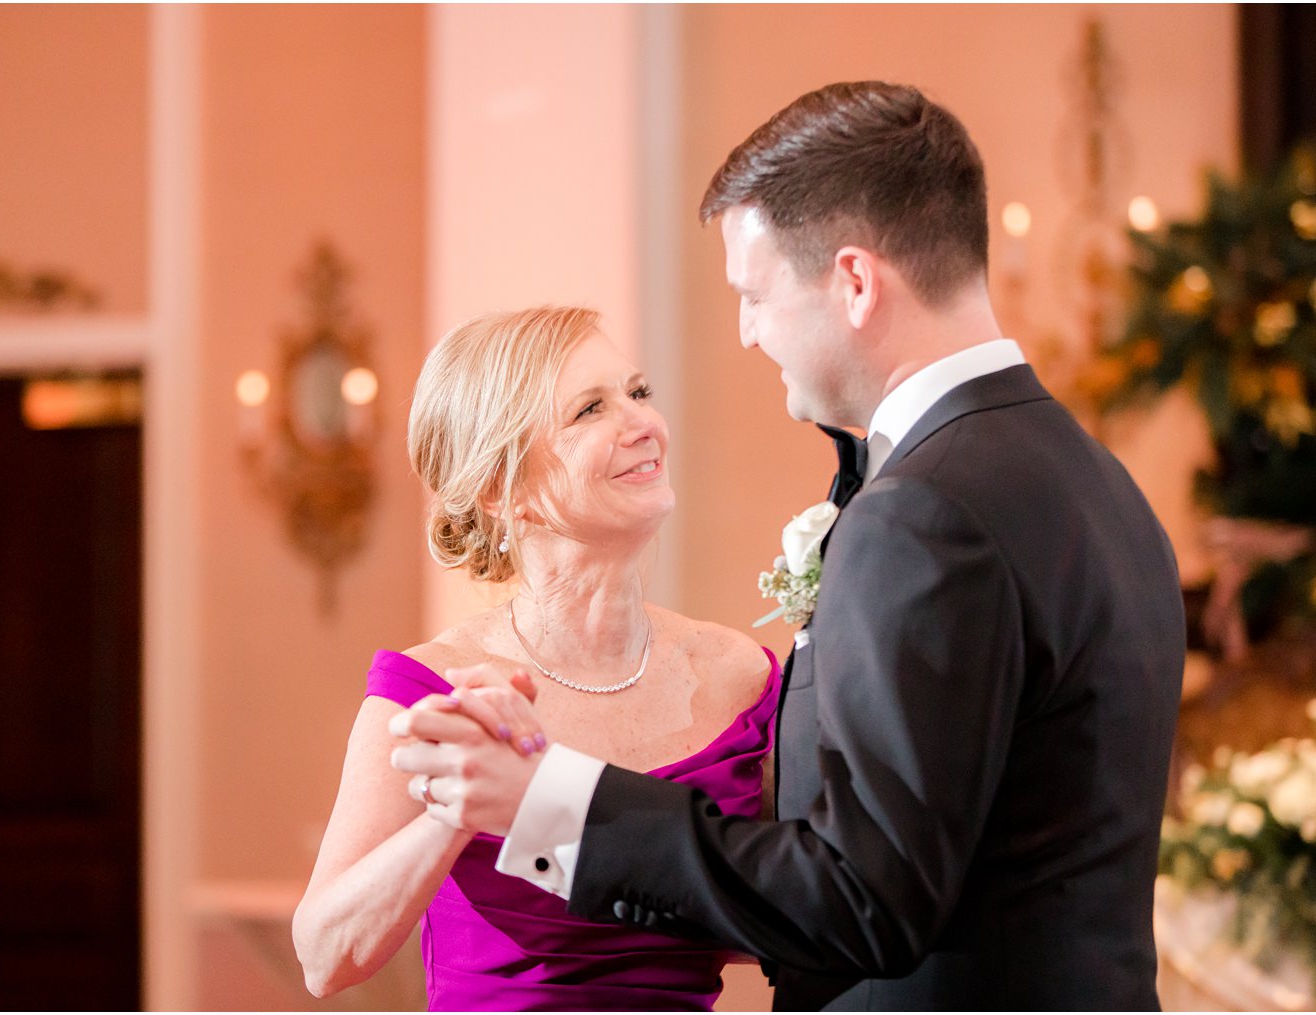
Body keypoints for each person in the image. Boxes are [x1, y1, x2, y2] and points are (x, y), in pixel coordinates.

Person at [390, 81, 1186, 1010]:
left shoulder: (923, 511)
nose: (748, 331)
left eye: (755, 294)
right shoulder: (1100, 484)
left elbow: (863, 896)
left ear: (854, 283)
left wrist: (550, 803)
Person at [291, 305, 780, 1010]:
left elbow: (788, 914)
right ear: (500, 489)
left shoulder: (741, 674)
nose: (643, 422)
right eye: (589, 409)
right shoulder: (428, 692)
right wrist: (456, 809)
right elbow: (324, 957)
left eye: (638, 392)